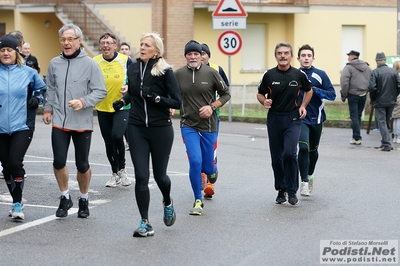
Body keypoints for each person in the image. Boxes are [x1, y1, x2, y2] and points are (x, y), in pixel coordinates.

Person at [114, 32, 182, 237]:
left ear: (156, 50)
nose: (142, 48)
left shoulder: (166, 71)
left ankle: (167, 200)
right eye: (141, 44)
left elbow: (177, 102)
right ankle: (145, 222)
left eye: (147, 45)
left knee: (160, 176)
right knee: (141, 176)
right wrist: (123, 101)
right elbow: (134, 93)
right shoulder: (133, 68)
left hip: (161, 128)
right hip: (136, 128)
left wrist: (156, 98)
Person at [42, 24, 107, 218]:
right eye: (63, 39)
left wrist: (83, 101)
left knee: (82, 164)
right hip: (60, 121)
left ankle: (84, 199)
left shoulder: (90, 64)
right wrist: (47, 108)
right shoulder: (54, 63)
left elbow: (100, 91)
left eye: (71, 39)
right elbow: (51, 88)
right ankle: (65, 197)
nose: (67, 43)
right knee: (58, 160)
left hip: (81, 122)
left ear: (79, 41)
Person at [175, 40, 231, 215]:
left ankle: (212, 171)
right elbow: (171, 94)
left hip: (208, 125)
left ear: (201, 56)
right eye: (189, 54)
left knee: (207, 166)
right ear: (185, 56)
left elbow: (226, 93)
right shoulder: (178, 74)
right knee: (195, 161)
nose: (192, 57)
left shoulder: (212, 73)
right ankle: (198, 199)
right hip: (188, 124)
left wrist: (212, 107)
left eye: (196, 54)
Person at [257, 41, 313, 205]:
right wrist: (264, 101)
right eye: (280, 53)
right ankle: (281, 190)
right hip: (274, 118)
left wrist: (303, 105)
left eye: (286, 53)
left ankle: (291, 190)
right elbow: (260, 94)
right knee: (277, 157)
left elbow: (309, 90)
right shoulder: (269, 75)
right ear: (276, 56)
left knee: (290, 153)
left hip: (293, 118)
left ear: (291, 56)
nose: (283, 56)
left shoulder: (299, 75)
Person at [0, 34, 46, 220]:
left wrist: (37, 99)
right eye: (2, 50)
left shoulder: (28, 72)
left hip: (23, 125)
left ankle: (17, 205)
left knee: (15, 162)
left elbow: (41, 89)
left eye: (9, 50)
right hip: (0, 128)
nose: (5, 53)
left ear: (16, 52)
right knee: (6, 167)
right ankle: (16, 200)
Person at [94, 33, 133, 187]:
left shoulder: (125, 60)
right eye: (103, 43)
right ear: (100, 46)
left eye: (108, 43)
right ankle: (114, 173)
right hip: (102, 107)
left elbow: (135, 79)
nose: (105, 45)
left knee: (117, 136)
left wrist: (129, 87)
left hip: (121, 105)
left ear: (115, 45)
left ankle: (122, 169)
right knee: (108, 142)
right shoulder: (95, 61)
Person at [297, 44, 336, 196]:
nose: (306, 58)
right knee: (304, 148)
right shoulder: (294, 74)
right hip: (300, 118)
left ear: (313, 58)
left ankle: (310, 174)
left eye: (309, 56)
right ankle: (304, 182)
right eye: (303, 56)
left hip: (317, 118)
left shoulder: (320, 74)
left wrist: (314, 90)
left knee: (313, 151)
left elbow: (332, 95)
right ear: (298, 58)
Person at [200, 43, 230, 199]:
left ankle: (210, 183)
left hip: (213, 115)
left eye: (204, 53)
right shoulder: (189, 71)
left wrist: (215, 103)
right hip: (193, 117)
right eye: (199, 53)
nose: (201, 56)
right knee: (196, 150)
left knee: (210, 148)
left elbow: (226, 89)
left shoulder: (217, 69)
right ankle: (201, 177)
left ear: (208, 56)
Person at [368, 52, 400, 151]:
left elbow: (372, 87)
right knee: (386, 121)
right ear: (385, 60)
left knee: (381, 122)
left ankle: (386, 143)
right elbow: (399, 86)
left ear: (377, 61)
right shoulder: (394, 72)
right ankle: (384, 141)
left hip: (380, 101)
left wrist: (373, 99)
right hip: (391, 100)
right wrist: (394, 96)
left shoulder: (375, 72)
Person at [340, 50, 372, 145]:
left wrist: (344, 95)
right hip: (363, 94)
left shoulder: (348, 67)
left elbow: (344, 83)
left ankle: (356, 137)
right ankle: (356, 136)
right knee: (358, 115)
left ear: (353, 56)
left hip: (352, 94)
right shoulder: (368, 68)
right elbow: (372, 80)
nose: (348, 58)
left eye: (349, 56)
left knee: (354, 116)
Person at [119, 41, 132, 151]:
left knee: (130, 121)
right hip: (120, 97)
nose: (124, 51)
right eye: (122, 49)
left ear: (129, 52)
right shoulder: (117, 64)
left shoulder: (131, 64)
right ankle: (127, 141)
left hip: (131, 96)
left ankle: (130, 140)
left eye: (126, 49)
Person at [391, 61, 400, 144]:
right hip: (399, 97)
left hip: (393, 97)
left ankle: (394, 135)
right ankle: (398, 136)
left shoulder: (392, 76)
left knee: (395, 117)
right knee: (399, 118)